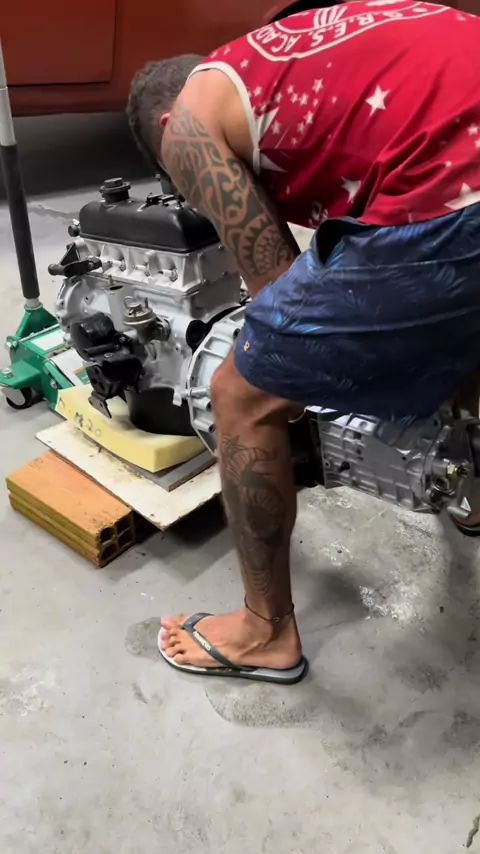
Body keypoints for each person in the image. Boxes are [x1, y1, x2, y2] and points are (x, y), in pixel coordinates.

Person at [127, 0, 480, 685]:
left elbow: (275, 283)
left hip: (459, 180)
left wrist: (281, 384)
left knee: (241, 393)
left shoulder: (189, 120)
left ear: (164, 130)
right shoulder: (277, 62)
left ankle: (263, 631)